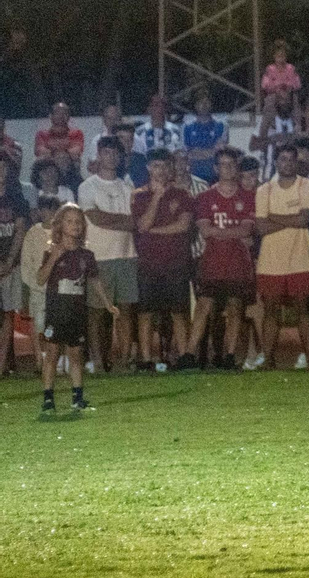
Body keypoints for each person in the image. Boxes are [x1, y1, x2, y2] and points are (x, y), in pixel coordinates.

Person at [37, 203, 118, 413]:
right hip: (57, 312)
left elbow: (95, 281)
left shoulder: (86, 255)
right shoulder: (52, 251)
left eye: (78, 222)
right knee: (52, 354)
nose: (75, 225)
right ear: (60, 225)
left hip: (76, 312)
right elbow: (40, 279)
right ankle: (48, 399)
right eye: (69, 221)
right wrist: (54, 257)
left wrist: (108, 304)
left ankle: (77, 397)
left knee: (76, 355)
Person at [186, 148, 256, 369]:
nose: (228, 168)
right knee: (203, 306)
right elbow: (206, 232)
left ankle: (230, 354)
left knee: (236, 307)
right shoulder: (205, 197)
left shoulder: (248, 196)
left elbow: (246, 230)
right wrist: (236, 232)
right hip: (213, 262)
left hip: (238, 263)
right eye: (223, 164)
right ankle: (189, 354)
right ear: (216, 168)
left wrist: (222, 231)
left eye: (232, 164)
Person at [76, 137, 139, 372]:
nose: (111, 157)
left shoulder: (127, 187)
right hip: (98, 256)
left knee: (126, 312)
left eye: (115, 153)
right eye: (106, 152)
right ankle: (99, 362)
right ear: (99, 155)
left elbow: (134, 222)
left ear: (120, 157)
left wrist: (121, 221)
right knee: (96, 313)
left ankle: (123, 361)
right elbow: (94, 217)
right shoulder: (87, 186)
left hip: (127, 255)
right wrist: (126, 222)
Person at [130, 149, 195, 370]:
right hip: (149, 262)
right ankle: (147, 358)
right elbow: (141, 225)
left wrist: (153, 231)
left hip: (175, 261)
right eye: (157, 166)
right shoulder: (139, 195)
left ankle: (184, 355)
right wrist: (157, 197)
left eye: (166, 166)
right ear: (149, 167)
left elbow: (183, 226)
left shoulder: (182, 194)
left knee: (178, 311)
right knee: (146, 312)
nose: (162, 171)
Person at [255, 145, 309, 369]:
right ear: (276, 162)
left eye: (291, 160)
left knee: (303, 309)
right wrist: (291, 218)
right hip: (271, 261)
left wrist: (274, 218)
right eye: (283, 160)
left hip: (300, 258)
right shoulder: (264, 190)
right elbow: (261, 227)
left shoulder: (308, 186)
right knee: (271, 310)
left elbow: (305, 221)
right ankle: (269, 358)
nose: (287, 164)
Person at [20, 195, 59, 372]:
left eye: (53, 210)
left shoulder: (62, 233)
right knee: (39, 326)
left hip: (59, 290)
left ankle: (57, 361)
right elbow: (26, 262)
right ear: (39, 211)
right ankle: (39, 361)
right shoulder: (33, 233)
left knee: (58, 325)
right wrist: (32, 285)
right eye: (45, 209)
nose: (49, 213)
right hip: (38, 289)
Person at [0, 191, 23, 376]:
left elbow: (20, 231)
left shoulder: (15, 199)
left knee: (8, 314)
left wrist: (8, 261)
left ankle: (2, 365)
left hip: (11, 266)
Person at [34, 102, 85, 183]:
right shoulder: (42, 134)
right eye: (58, 112)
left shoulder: (77, 133)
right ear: (50, 116)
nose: (61, 116)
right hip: (48, 177)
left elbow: (76, 152)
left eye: (65, 113)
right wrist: (64, 153)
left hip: (70, 175)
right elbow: (41, 152)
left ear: (69, 117)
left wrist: (52, 151)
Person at [260, 39, 302, 108]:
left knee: (295, 102)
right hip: (274, 96)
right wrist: (278, 90)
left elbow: (297, 85)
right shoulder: (269, 69)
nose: (281, 58)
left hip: (289, 95)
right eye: (278, 55)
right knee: (269, 102)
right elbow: (265, 86)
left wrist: (287, 90)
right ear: (274, 56)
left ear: (286, 56)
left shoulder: (291, 68)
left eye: (283, 55)